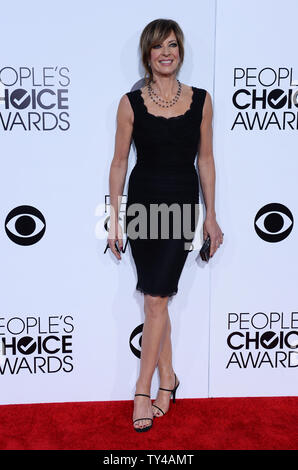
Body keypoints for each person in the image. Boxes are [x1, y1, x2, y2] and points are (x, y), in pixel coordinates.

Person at [108, 19, 223, 432]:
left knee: (157, 298)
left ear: (180, 50)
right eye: (158, 47)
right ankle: (167, 381)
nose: (166, 52)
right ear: (147, 54)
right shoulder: (130, 103)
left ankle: (143, 389)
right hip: (142, 207)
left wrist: (210, 215)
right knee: (157, 300)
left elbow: (205, 160)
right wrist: (115, 219)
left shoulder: (202, 100)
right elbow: (120, 162)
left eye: (172, 45)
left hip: (180, 207)